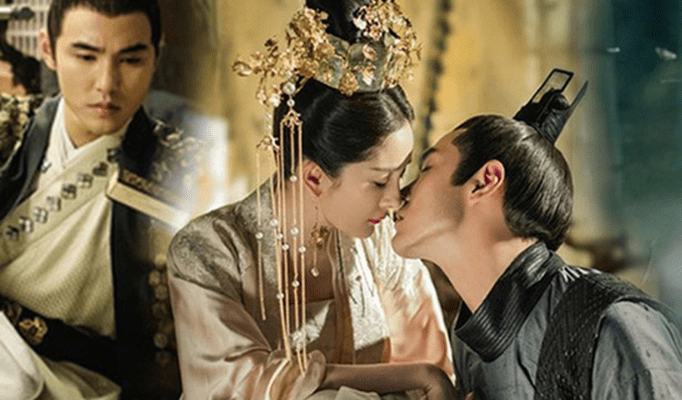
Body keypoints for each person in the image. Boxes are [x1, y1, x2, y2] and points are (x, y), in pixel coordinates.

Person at [167, 1, 454, 399]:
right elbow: (243, 386)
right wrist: (415, 376)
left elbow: (434, 371)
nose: (395, 200)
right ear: (315, 177)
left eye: (401, 174)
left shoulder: (382, 243)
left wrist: (421, 376)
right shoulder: (208, 251)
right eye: (379, 181)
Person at [391, 70, 682, 399]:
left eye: (426, 168)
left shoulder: (607, 322)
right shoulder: (469, 344)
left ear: (484, 181)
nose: (398, 196)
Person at [0, 0, 199, 399]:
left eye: (131, 60)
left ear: (155, 56)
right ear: (48, 50)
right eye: (86, 56)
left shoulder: (185, 168)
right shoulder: (9, 130)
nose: (106, 84)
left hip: (90, 381)